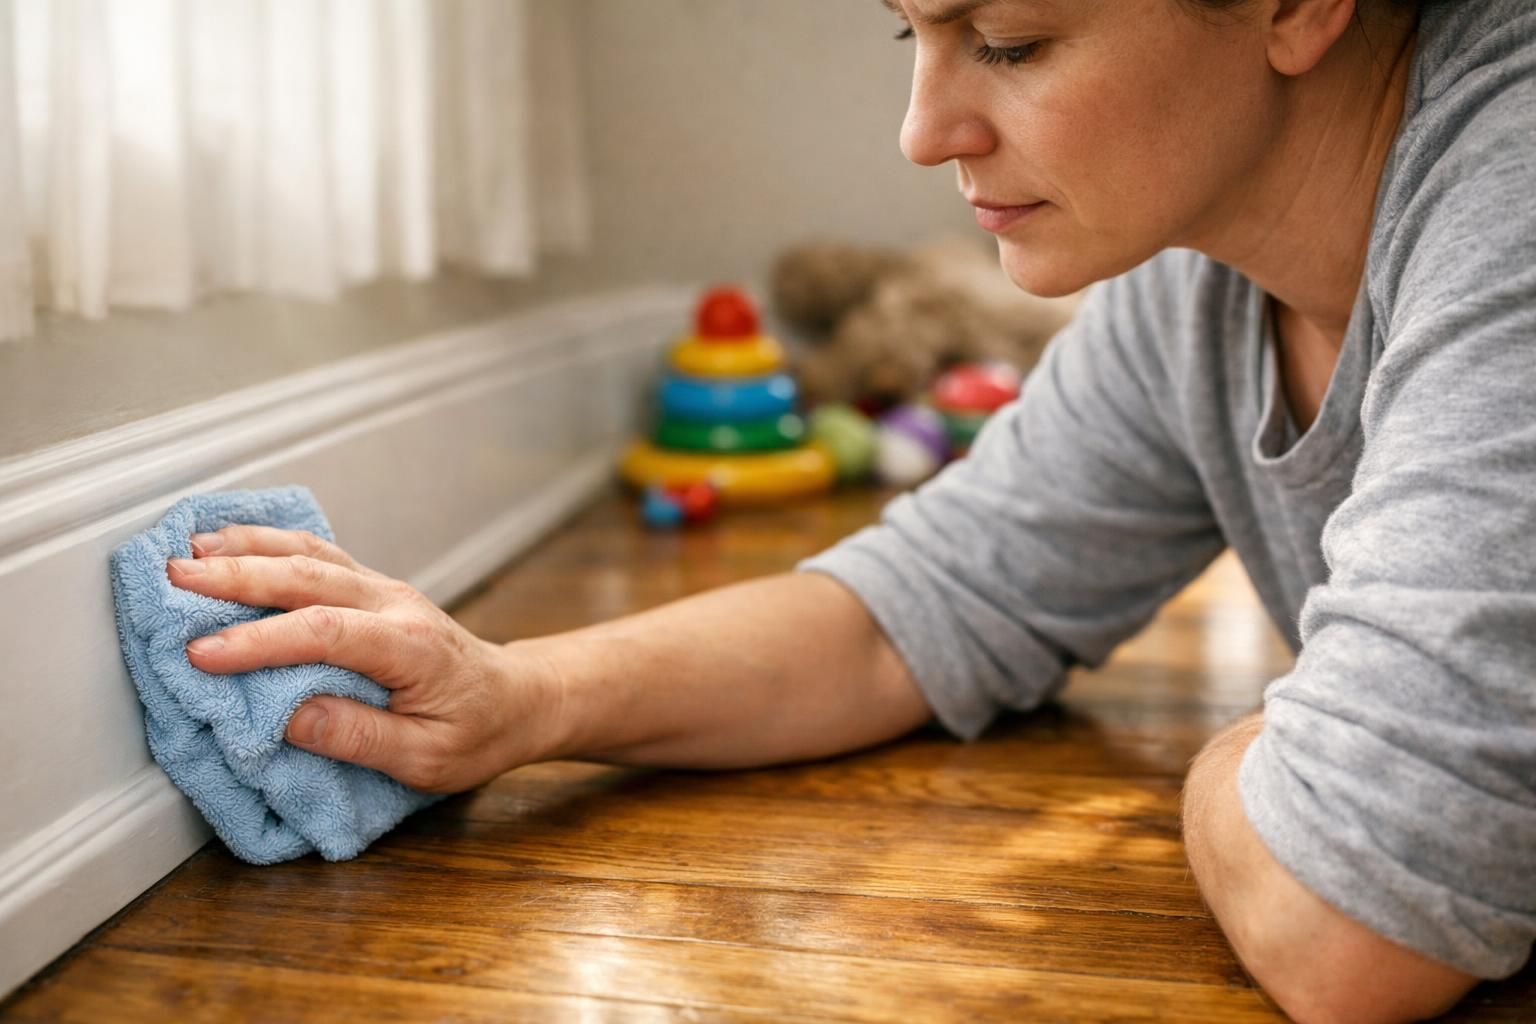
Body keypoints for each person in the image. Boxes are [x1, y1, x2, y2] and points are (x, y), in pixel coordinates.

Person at [164, 0, 1535, 1019]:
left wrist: (1243, 759)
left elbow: (1353, 928)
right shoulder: (1199, 285)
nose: (925, 130)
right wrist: (519, 698)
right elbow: (922, 609)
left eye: (1010, 40)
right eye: (911, 37)